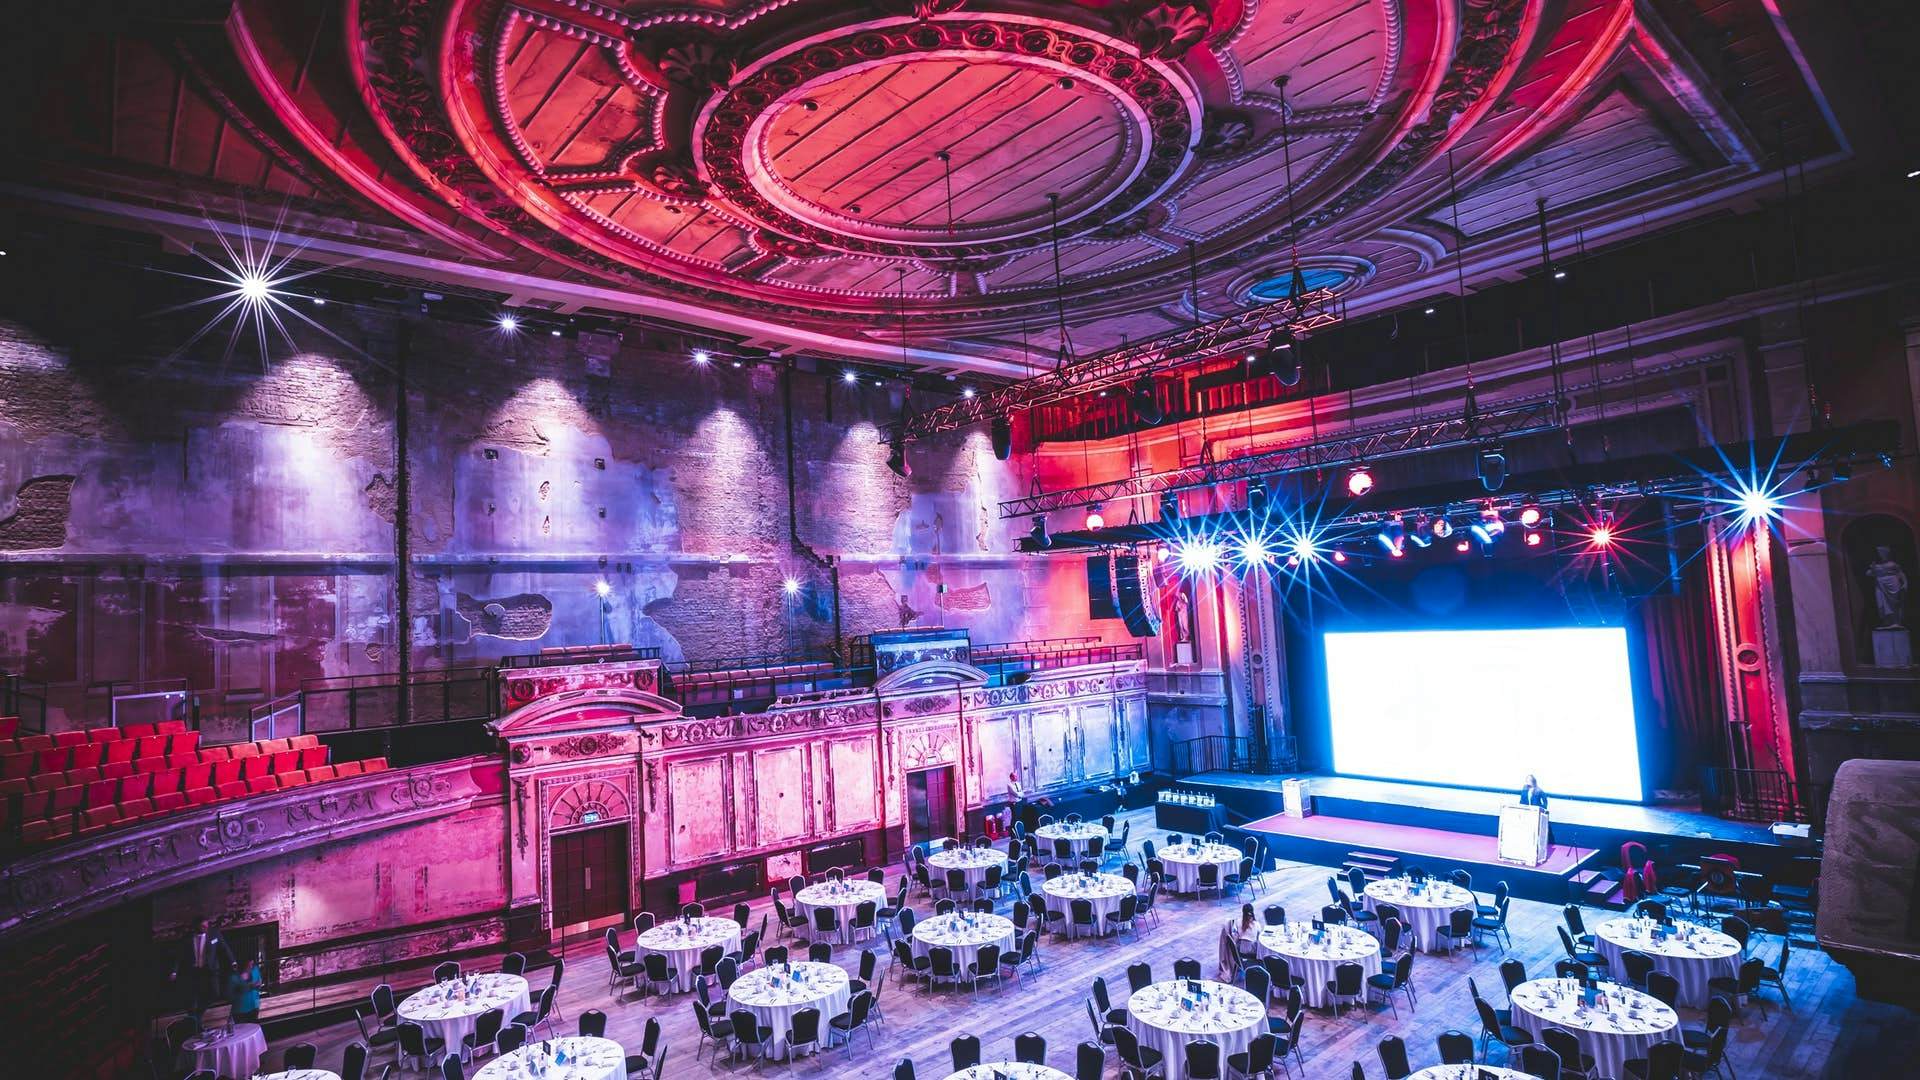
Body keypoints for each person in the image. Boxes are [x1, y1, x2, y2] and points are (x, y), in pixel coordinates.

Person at [171, 919, 235, 1023]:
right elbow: (179, 956)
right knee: (194, 996)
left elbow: (225, 948)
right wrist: (174, 971)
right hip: (194, 971)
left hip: (210, 970)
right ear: (196, 927)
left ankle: (198, 1014)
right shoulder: (187, 938)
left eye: (207, 925)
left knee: (215, 992)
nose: (206, 928)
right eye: (202, 926)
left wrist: (233, 961)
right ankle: (195, 1019)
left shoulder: (214, 934)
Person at [226, 951, 264, 1025]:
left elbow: (259, 982)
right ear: (242, 964)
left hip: (254, 1007)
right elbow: (229, 996)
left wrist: (258, 985)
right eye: (248, 965)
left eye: (252, 964)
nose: (250, 966)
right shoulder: (233, 978)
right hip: (240, 1011)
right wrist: (244, 988)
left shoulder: (255, 970)